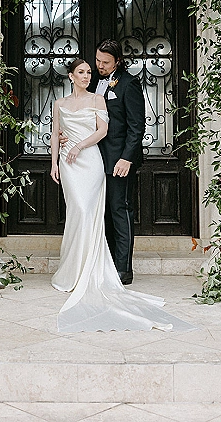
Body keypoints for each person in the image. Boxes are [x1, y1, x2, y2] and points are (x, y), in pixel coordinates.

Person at [50, 57, 195, 334]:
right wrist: (53, 163)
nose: (86, 75)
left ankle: (94, 270)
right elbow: (56, 133)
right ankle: (72, 269)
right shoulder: (59, 104)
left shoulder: (98, 99)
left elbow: (103, 130)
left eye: (89, 71)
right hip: (67, 165)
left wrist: (78, 145)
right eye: (81, 71)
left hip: (90, 159)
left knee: (88, 210)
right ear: (70, 76)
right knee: (76, 212)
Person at [90, 38, 144, 286]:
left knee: (119, 210)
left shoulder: (129, 84)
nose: (100, 65)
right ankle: (106, 264)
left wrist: (126, 158)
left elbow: (136, 127)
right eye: (98, 60)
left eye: (105, 62)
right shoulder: (92, 82)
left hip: (119, 160)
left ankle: (124, 269)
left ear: (118, 61)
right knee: (102, 212)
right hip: (94, 159)